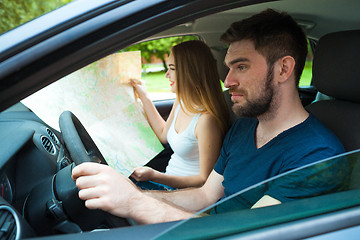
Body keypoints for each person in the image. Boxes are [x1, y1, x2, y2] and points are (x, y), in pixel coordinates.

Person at [71, 9, 345, 225]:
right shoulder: (244, 127)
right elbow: (205, 195)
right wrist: (134, 194)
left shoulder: (319, 157)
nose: (227, 80)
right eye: (228, 67)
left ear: (284, 69)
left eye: (241, 66)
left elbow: (248, 232)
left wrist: (136, 203)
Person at [129, 40, 230, 189]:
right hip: (166, 182)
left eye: (172, 68)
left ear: (190, 71)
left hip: (183, 192)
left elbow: (205, 179)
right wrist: (144, 97)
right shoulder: (181, 101)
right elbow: (164, 134)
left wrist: (154, 175)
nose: (166, 74)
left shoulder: (206, 120)